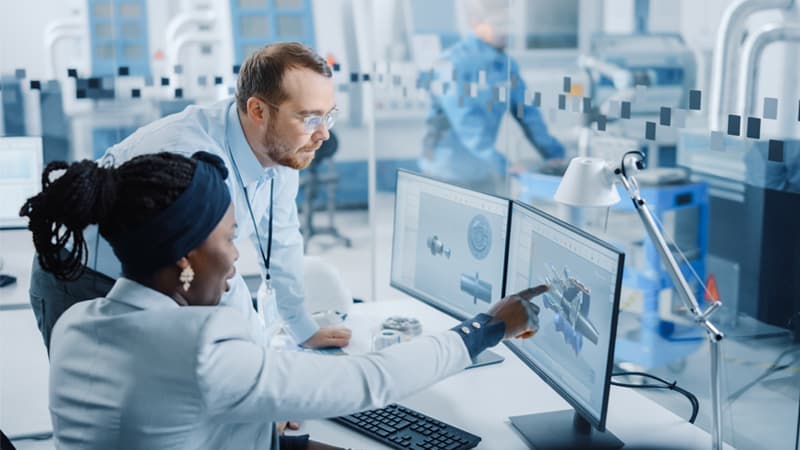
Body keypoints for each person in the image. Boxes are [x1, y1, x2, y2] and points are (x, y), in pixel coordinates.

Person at [20, 151, 546, 449]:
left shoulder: (78, 323)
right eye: (228, 239)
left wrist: (264, 430)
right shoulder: (199, 351)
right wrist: (487, 327)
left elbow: (157, 425)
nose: (235, 256)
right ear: (184, 259)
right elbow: (370, 380)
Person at [28, 42, 349, 352]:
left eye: (327, 116)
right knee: (109, 400)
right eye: (309, 118)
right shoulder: (195, 160)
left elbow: (282, 240)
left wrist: (302, 329)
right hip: (84, 275)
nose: (323, 134)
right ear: (258, 111)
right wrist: (263, 359)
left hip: (156, 276)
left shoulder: (283, 149)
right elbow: (217, 275)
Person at [419, 0, 565, 195]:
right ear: (475, 23)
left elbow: (527, 113)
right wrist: (503, 165)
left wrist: (554, 155)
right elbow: (467, 124)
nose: (505, 30)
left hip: (483, 172)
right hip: (445, 172)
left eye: (508, 24)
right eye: (498, 24)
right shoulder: (450, 63)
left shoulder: (505, 65)